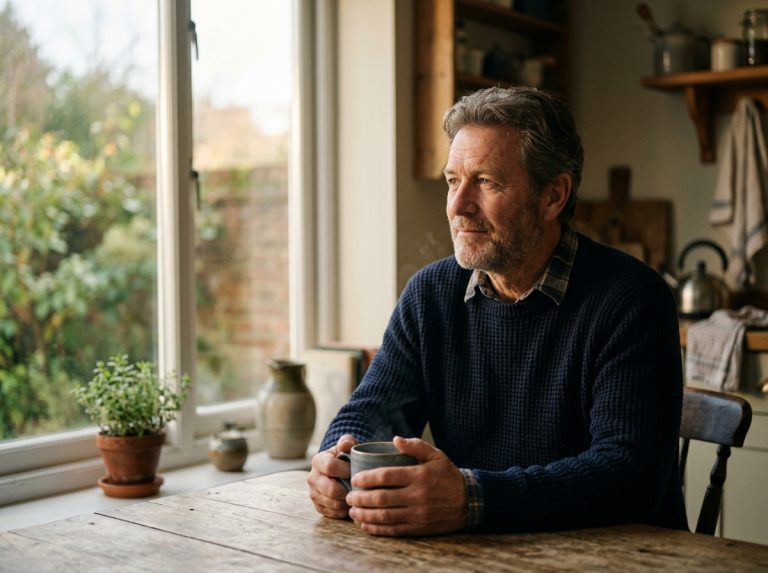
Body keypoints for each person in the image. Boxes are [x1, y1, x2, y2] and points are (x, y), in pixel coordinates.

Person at [306, 86, 687, 537]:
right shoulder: (430, 294)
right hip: (481, 554)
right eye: (452, 181)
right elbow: (371, 411)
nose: (457, 205)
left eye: (486, 182)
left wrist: (472, 498)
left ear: (553, 196)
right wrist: (336, 459)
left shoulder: (632, 299)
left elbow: (629, 475)